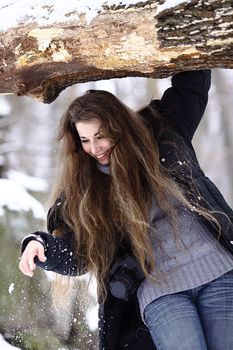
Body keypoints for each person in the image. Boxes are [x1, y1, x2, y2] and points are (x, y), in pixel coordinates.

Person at [19, 69, 233, 350]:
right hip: (161, 290)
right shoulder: (88, 187)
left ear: (118, 124)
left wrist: (177, 38)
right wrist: (40, 246)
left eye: (100, 135)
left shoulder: (163, 130)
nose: (94, 148)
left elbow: (192, 85)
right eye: (84, 140)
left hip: (216, 268)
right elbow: (79, 249)